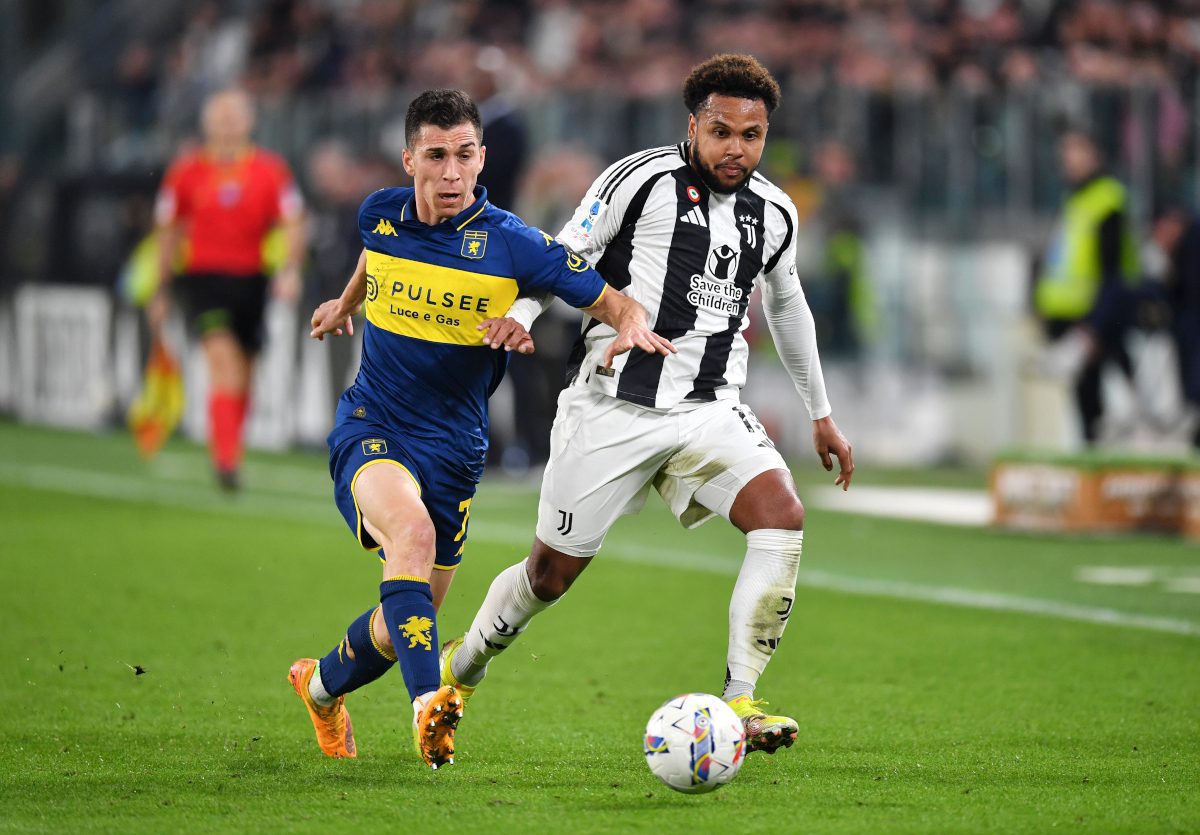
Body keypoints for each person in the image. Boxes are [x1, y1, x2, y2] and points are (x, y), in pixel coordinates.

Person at [441, 54, 854, 755]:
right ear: (693, 124)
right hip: (611, 406)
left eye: (751, 136)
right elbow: (564, 252)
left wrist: (820, 411)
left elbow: (787, 304)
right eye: (721, 131)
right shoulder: (639, 179)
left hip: (708, 407)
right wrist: (526, 314)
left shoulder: (775, 211)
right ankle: (461, 667)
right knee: (549, 576)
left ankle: (740, 700)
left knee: (781, 512)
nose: (736, 149)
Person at [288, 89, 674, 769]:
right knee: (411, 534)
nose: (450, 172)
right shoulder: (378, 212)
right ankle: (426, 704)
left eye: (464, 154)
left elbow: (613, 300)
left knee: (401, 621)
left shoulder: (513, 242)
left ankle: (319, 688)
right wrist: (343, 303)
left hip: (456, 449)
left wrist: (634, 326)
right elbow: (374, 257)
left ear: (481, 157)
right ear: (409, 158)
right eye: (435, 155)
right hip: (372, 423)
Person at [151, 88, 305, 490]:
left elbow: (293, 221)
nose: (227, 124)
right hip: (203, 280)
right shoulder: (185, 171)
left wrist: (290, 269)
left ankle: (229, 446)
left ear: (249, 122)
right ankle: (226, 460)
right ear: (206, 123)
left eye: (235, 116)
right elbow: (167, 231)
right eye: (220, 116)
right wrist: (160, 288)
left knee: (246, 372)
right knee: (224, 363)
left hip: (253, 280)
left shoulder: (271, 170)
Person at [1034, 129, 1141, 445]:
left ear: (1095, 154)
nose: (1068, 159)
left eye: (1076, 150)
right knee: (1084, 401)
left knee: (1107, 398)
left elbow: (1112, 270)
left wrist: (1094, 325)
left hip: (1095, 315)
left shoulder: (1107, 199)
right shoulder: (1074, 198)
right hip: (1069, 311)